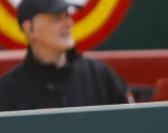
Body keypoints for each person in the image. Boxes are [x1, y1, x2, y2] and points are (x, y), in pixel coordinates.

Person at [0, 0, 131, 112]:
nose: (68, 23)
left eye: (67, 15)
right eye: (57, 18)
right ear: (29, 28)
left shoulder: (101, 76)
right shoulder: (7, 91)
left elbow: (131, 126)